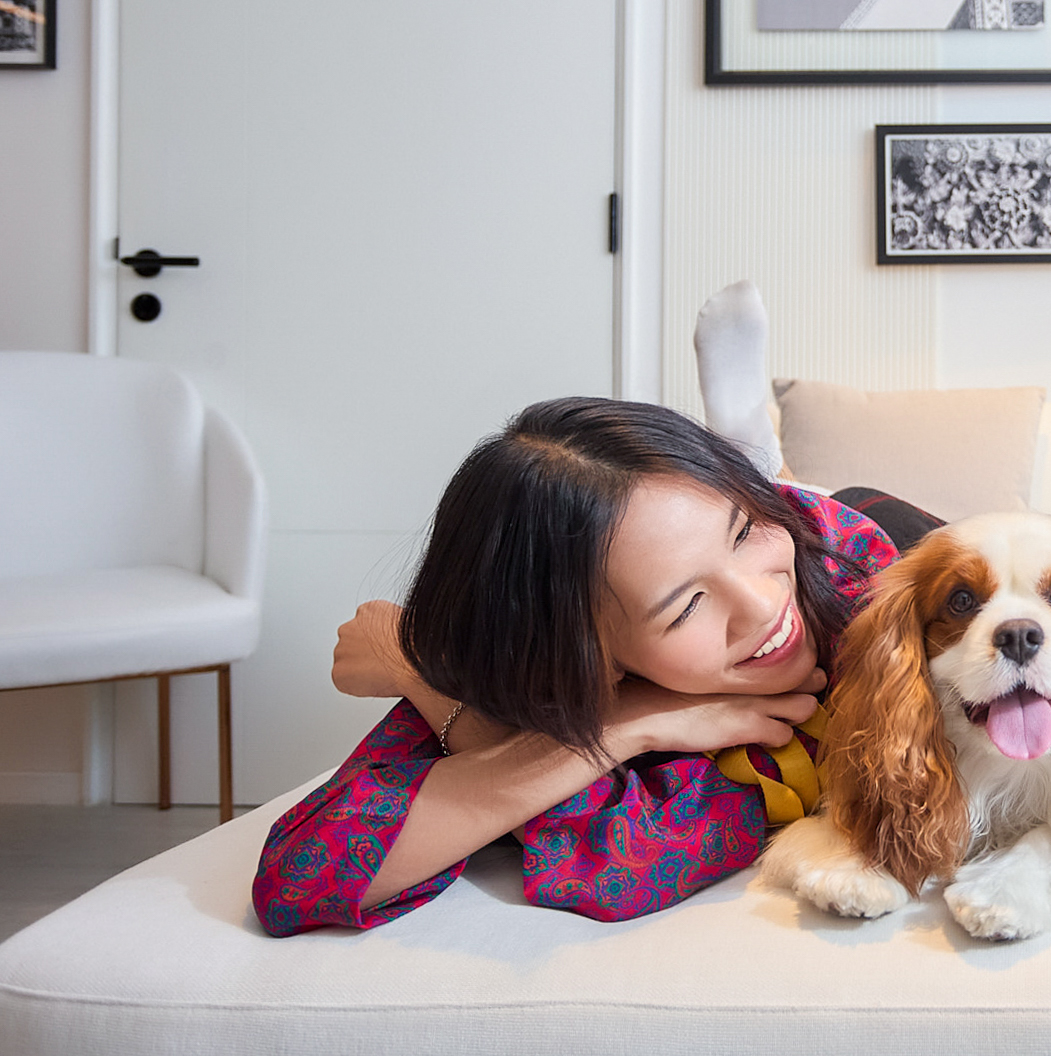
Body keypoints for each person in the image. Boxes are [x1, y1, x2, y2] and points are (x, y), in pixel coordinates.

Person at [251, 397, 896, 935]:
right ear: (593, 658)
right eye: (685, 607)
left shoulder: (854, 573)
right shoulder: (555, 684)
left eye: (744, 531)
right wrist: (626, 727)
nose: (762, 605)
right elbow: (299, 876)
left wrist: (406, 657)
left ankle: (758, 449)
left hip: (866, 513)